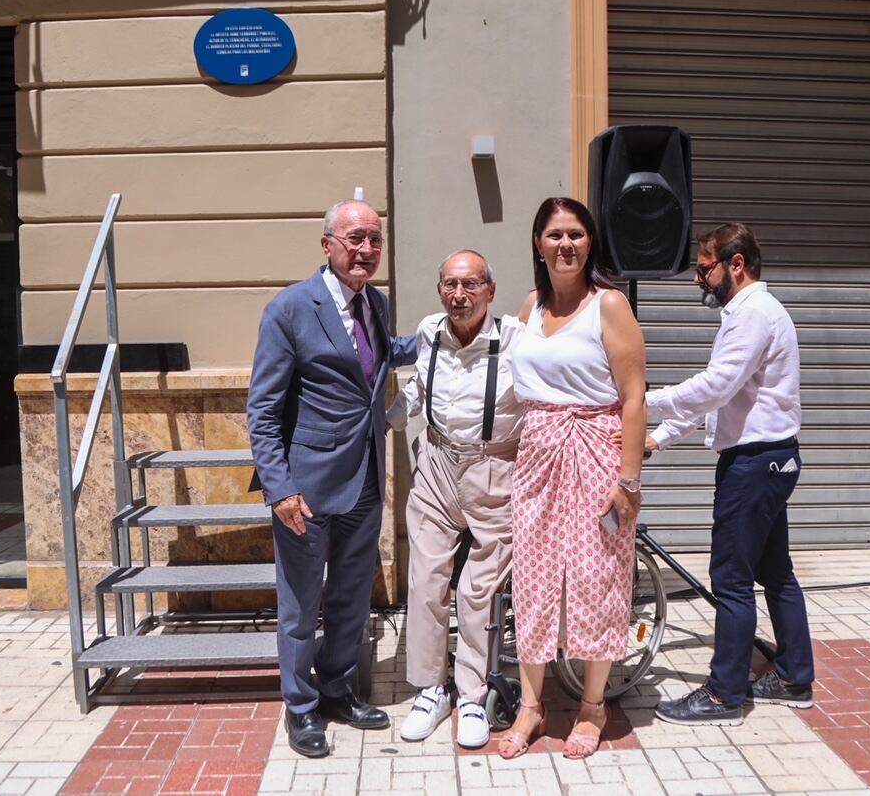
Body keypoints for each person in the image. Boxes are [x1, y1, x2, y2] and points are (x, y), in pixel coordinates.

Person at [247, 199, 418, 759]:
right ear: (328, 245)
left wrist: (450, 332)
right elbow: (264, 410)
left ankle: (338, 690)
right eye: (354, 238)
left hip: (366, 477)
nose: (365, 249)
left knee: (350, 598)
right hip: (308, 488)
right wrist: (279, 489)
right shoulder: (291, 308)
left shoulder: (378, 303)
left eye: (374, 239)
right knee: (301, 605)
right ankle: (300, 707)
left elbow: (381, 356)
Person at [498, 197, 647, 760]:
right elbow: (515, 389)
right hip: (538, 455)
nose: (566, 245)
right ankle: (532, 707)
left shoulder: (609, 305)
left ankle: (591, 706)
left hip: (594, 456)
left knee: (595, 580)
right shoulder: (530, 305)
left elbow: (634, 398)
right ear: (538, 243)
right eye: (555, 235)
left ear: (591, 243)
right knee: (533, 582)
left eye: (576, 235)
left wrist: (628, 480)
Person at [647, 222, 813, 727]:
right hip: (772, 458)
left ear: (734, 264)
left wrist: (641, 402)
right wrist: (658, 436)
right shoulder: (752, 312)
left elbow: (716, 385)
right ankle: (793, 678)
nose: (699, 279)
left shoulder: (752, 314)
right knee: (776, 573)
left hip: (755, 465)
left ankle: (724, 696)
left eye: (704, 268)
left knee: (732, 579)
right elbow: (725, 396)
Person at [387, 250, 524, 749]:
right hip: (439, 463)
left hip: (495, 467)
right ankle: (431, 689)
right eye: (449, 284)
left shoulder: (516, 339)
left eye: (470, 285)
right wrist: (386, 419)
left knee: (478, 589)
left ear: (490, 289)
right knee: (425, 580)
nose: (459, 295)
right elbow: (420, 389)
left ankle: (471, 693)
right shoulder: (429, 331)